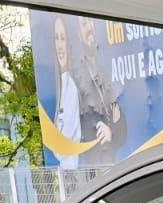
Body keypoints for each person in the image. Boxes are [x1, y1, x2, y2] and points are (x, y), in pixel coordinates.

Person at [76, 18, 128, 166]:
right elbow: (84, 120)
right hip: (95, 165)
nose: (90, 28)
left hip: (112, 164)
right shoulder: (79, 75)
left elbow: (121, 125)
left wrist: (111, 131)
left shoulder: (103, 71)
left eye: (91, 22)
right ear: (79, 35)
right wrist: (106, 127)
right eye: (84, 24)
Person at [51, 16, 84, 169]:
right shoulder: (62, 85)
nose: (59, 45)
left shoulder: (70, 86)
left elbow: (60, 150)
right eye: (56, 38)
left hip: (72, 170)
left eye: (63, 38)